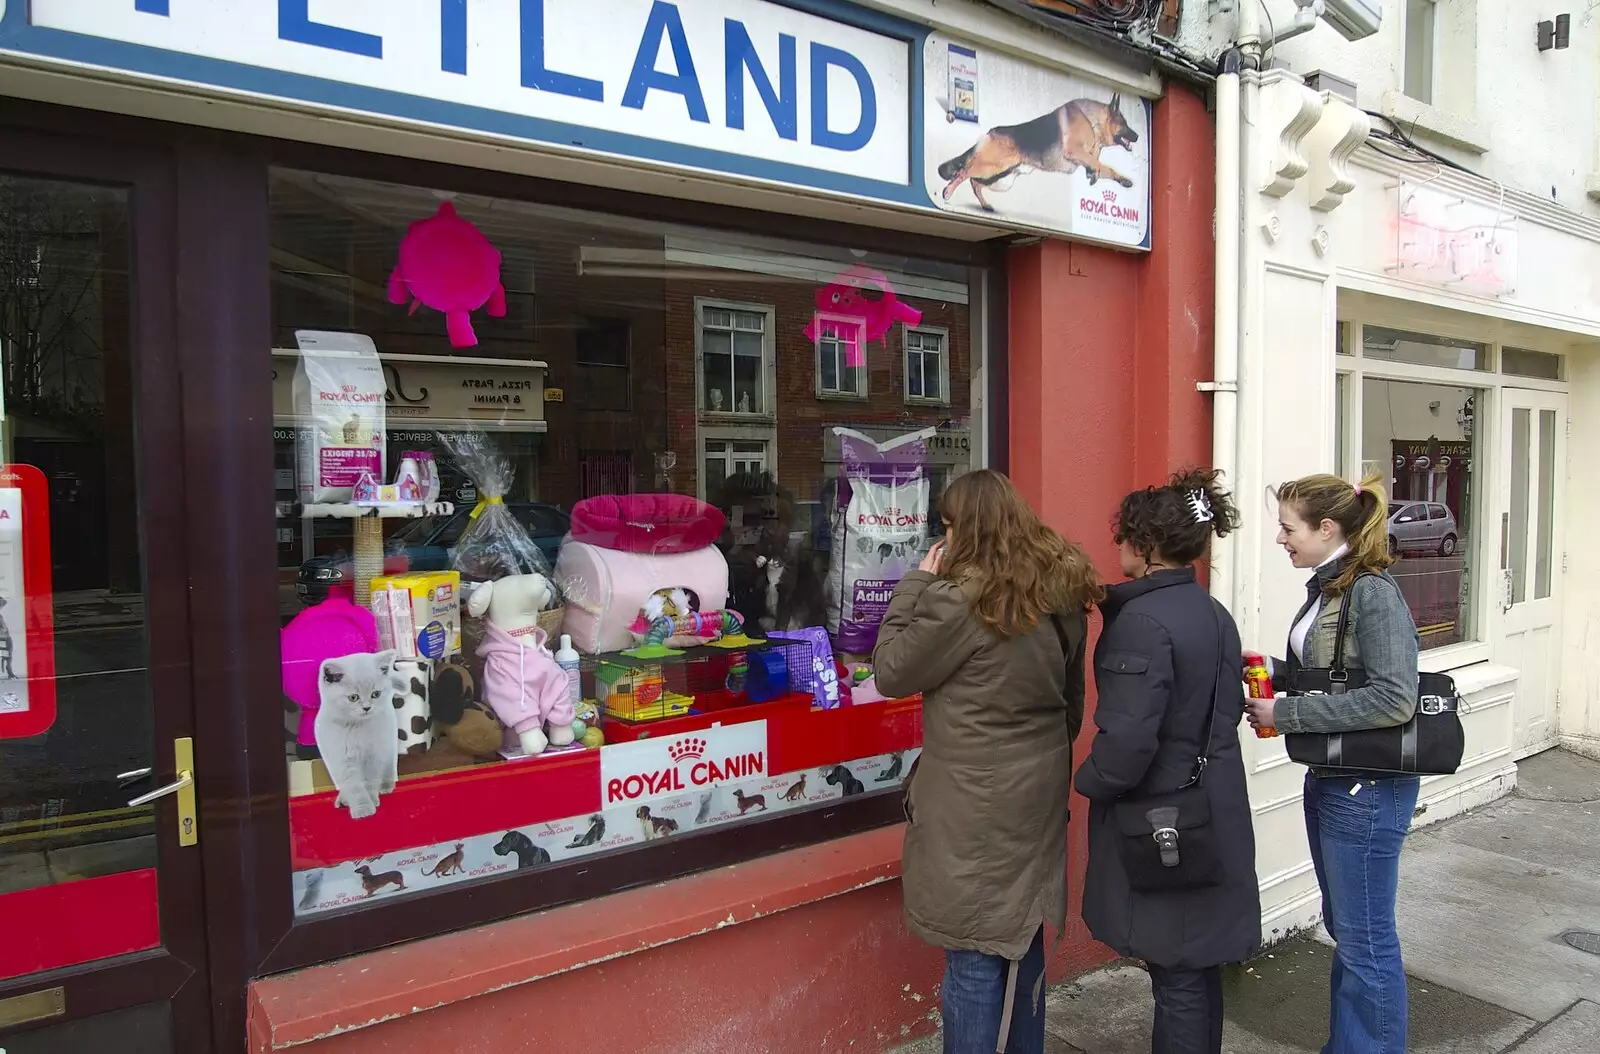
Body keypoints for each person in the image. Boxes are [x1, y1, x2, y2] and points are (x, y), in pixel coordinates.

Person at [874, 469, 1102, 1054]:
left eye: (948, 525)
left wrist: (914, 589)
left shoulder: (959, 602)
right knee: (1021, 939)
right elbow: (1070, 700)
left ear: (966, 529)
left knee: (975, 954)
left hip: (974, 803)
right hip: (1037, 788)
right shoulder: (1059, 591)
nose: (943, 538)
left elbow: (892, 671)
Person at [1074, 468, 1260, 1054]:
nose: (1119, 547)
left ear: (1147, 549)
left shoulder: (1142, 624)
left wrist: (1089, 781)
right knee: (1197, 968)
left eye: (1126, 536)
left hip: (1165, 822)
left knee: (1176, 971)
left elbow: (1127, 744)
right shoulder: (1212, 612)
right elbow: (1224, 711)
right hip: (1210, 807)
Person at [1245, 472, 1420, 1054]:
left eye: (1287, 528)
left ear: (1327, 528)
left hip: (1367, 791)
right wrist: (1265, 668)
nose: (1279, 539)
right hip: (1333, 782)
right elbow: (1336, 678)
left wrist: (1286, 711)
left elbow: (1395, 698)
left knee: (1365, 941)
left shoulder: (1371, 591)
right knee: (1350, 933)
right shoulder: (1329, 586)